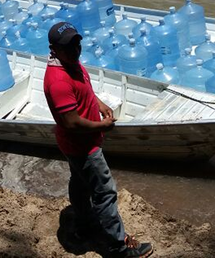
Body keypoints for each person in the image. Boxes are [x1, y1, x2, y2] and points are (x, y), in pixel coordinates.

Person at [43, 22, 153, 258]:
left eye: (77, 43)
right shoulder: (59, 80)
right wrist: (101, 126)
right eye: (68, 47)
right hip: (82, 146)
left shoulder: (70, 62)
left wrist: (100, 105)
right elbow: (71, 122)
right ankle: (119, 246)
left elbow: (84, 89)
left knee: (81, 183)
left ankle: (84, 224)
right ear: (53, 49)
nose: (75, 50)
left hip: (75, 144)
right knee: (105, 192)